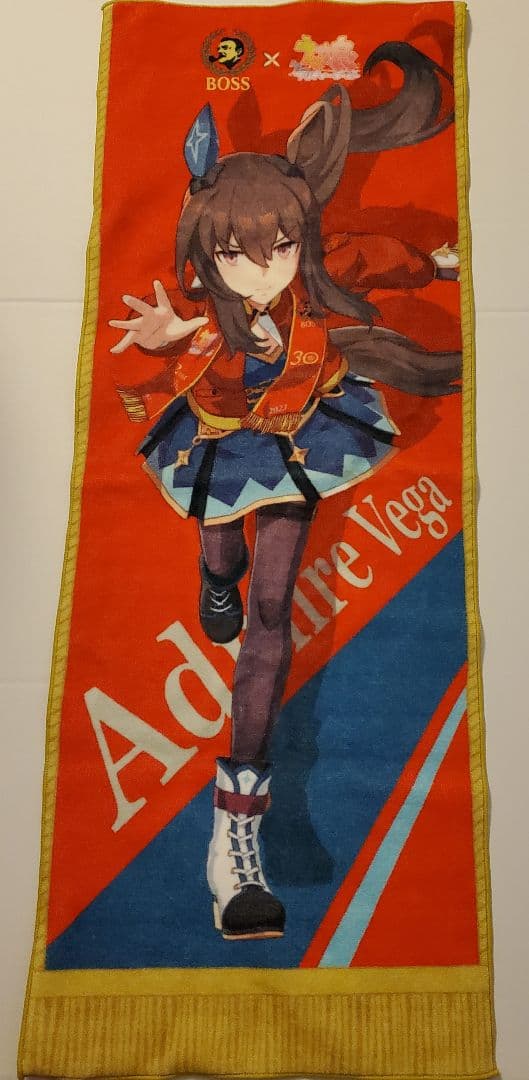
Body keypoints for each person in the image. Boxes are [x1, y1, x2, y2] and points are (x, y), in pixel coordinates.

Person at [109, 47, 460, 941]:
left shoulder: (312, 272)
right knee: (221, 553)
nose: (259, 270)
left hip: (300, 438)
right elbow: (189, 337)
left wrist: (438, 265)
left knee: (270, 615)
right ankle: (212, 573)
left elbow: (376, 255)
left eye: (279, 247)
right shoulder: (207, 297)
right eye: (236, 253)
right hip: (218, 439)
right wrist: (168, 334)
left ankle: (234, 842)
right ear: (208, 247)